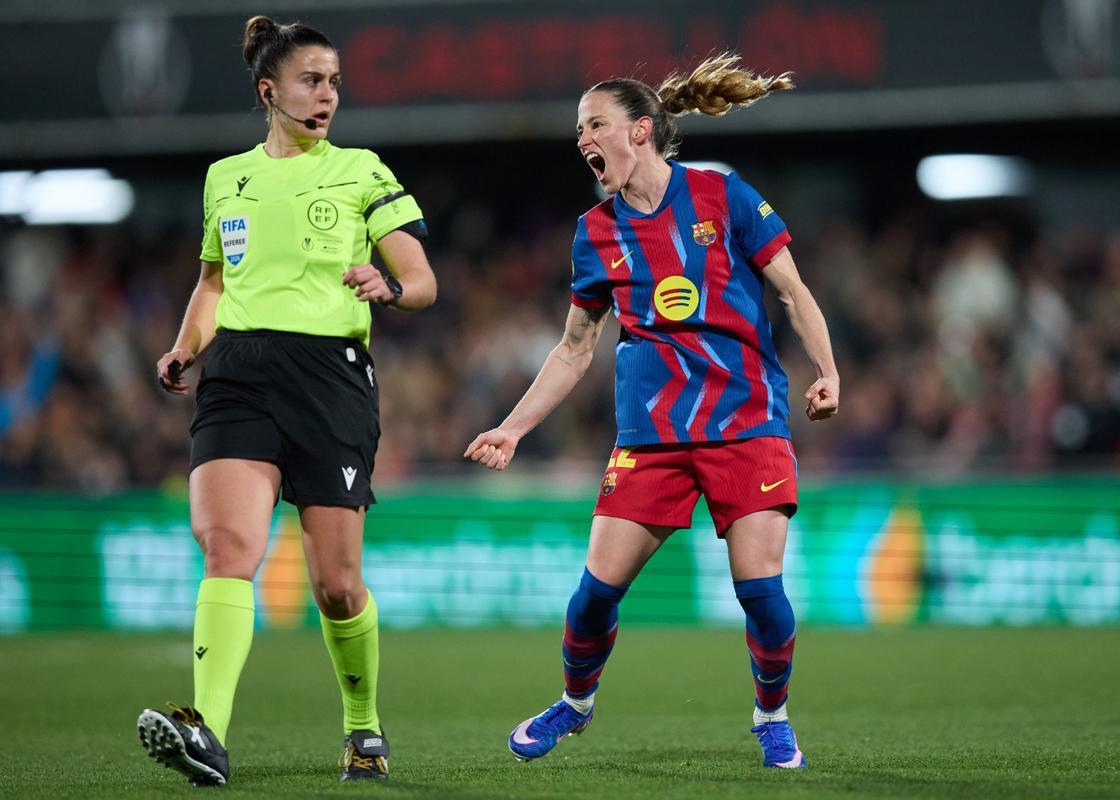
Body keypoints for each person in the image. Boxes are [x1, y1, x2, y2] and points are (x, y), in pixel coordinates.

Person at [465, 53, 839, 769]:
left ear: (639, 132)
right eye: (580, 128)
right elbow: (575, 348)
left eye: (594, 124)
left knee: (761, 593)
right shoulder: (595, 233)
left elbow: (792, 290)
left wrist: (828, 373)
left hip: (746, 422)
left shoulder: (721, 197)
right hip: (653, 436)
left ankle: (772, 715)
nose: (583, 139)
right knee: (591, 600)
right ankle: (574, 706)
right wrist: (513, 428)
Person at [136, 15, 435, 786]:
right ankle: (206, 732)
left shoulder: (362, 170)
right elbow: (213, 281)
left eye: (334, 80)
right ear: (270, 91)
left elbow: (423, 279)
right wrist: (185, 347)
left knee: (336, 586)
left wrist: (390, 286)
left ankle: (363, 727)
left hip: (329, 376)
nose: (327, 93)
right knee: (229, 547)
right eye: (311, 80)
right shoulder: (224, 177)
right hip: (236, 371)